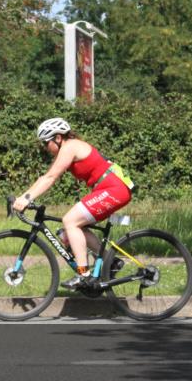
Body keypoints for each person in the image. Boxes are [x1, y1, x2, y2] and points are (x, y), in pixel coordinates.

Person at [12, 117, 134, 288]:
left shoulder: (70, 147)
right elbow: (45, 177)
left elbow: (50, 178)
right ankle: (111, 261)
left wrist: (26, 199)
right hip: (109, 188)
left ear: (58, 138)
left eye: (46, 143)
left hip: (114, 188)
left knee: (70, 221)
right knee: (68, 231)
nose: (45, 148)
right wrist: (23, 196)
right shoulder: (66, 149)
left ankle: (84, 274)